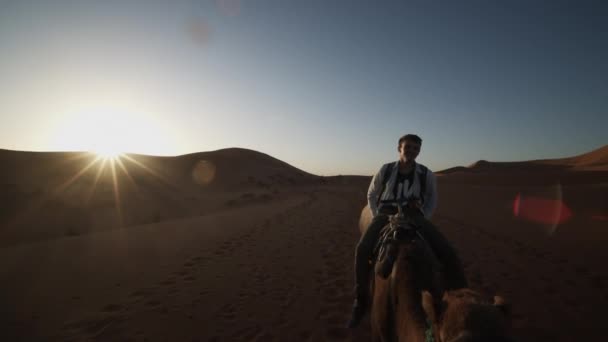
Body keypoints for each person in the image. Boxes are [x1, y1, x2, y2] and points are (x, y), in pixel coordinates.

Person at [347, 134, 468, 328]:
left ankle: (463, 303)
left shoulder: (425, 173)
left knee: (447, 251)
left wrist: (422, 218)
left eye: (415, 149)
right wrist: (379, 214)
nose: (412, 151)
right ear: (399, 148)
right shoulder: (385, 169)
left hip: (414, 215)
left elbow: (431, 198)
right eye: (408, 147)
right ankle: (360, 302)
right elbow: (372, 193)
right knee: (362, 250)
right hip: (386, 212)